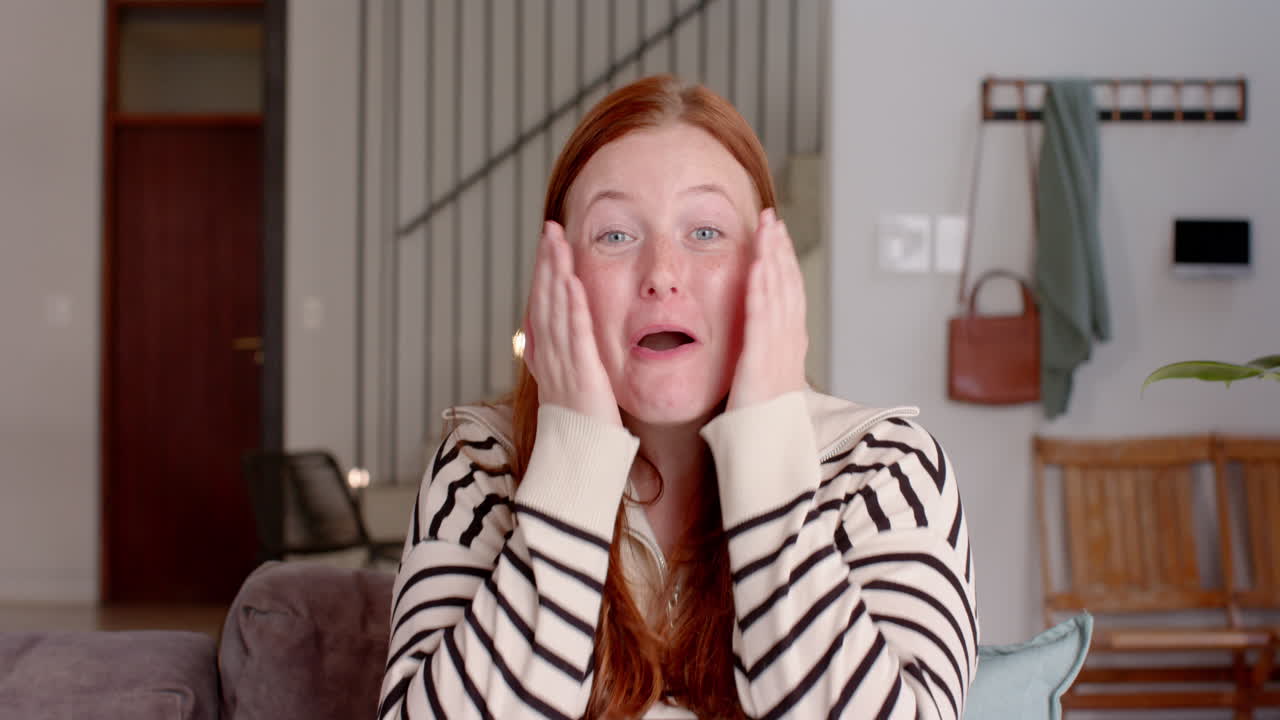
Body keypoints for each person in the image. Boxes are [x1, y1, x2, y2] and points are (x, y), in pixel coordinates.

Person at [378, 75, 978, 719]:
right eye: (614, 235)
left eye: (706, 232)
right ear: (559, 278)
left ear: (767, 268)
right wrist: (573, 466)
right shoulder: (478, 465)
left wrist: (766, 464)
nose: (662, 274)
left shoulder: (887, 470)